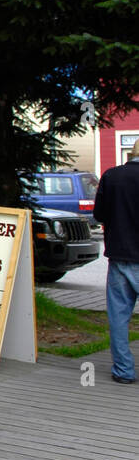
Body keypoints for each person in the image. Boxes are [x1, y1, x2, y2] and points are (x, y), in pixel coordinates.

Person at [95, 146, 139, 383]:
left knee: (119, 317)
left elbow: (99, 215)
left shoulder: (112, 176)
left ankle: (124, 371)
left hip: (120, 255)